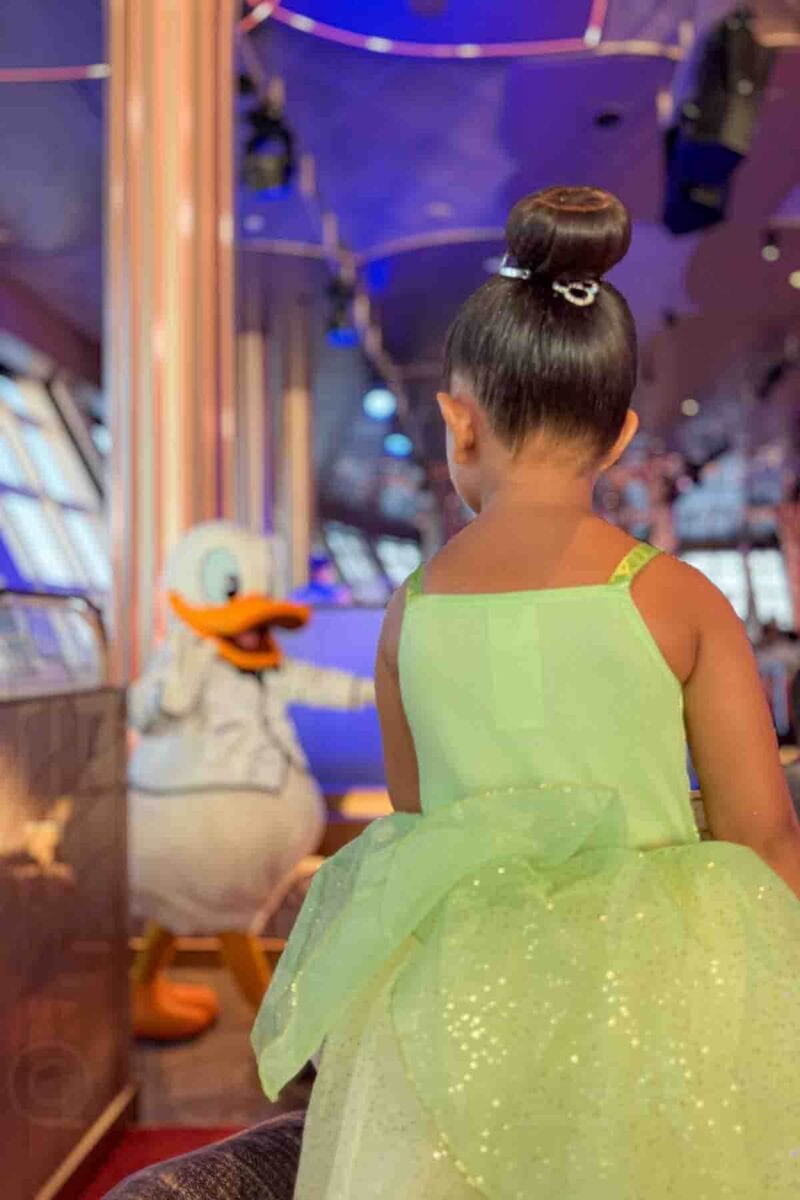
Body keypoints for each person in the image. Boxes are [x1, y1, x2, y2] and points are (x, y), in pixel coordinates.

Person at [252, 186, 800, 1198]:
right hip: (648, 1006)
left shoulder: (409, 613)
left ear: (457, 423)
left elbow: (417, 831)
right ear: (622, 431)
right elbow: (761, 840)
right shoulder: (675, 599)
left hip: (457, 1010)